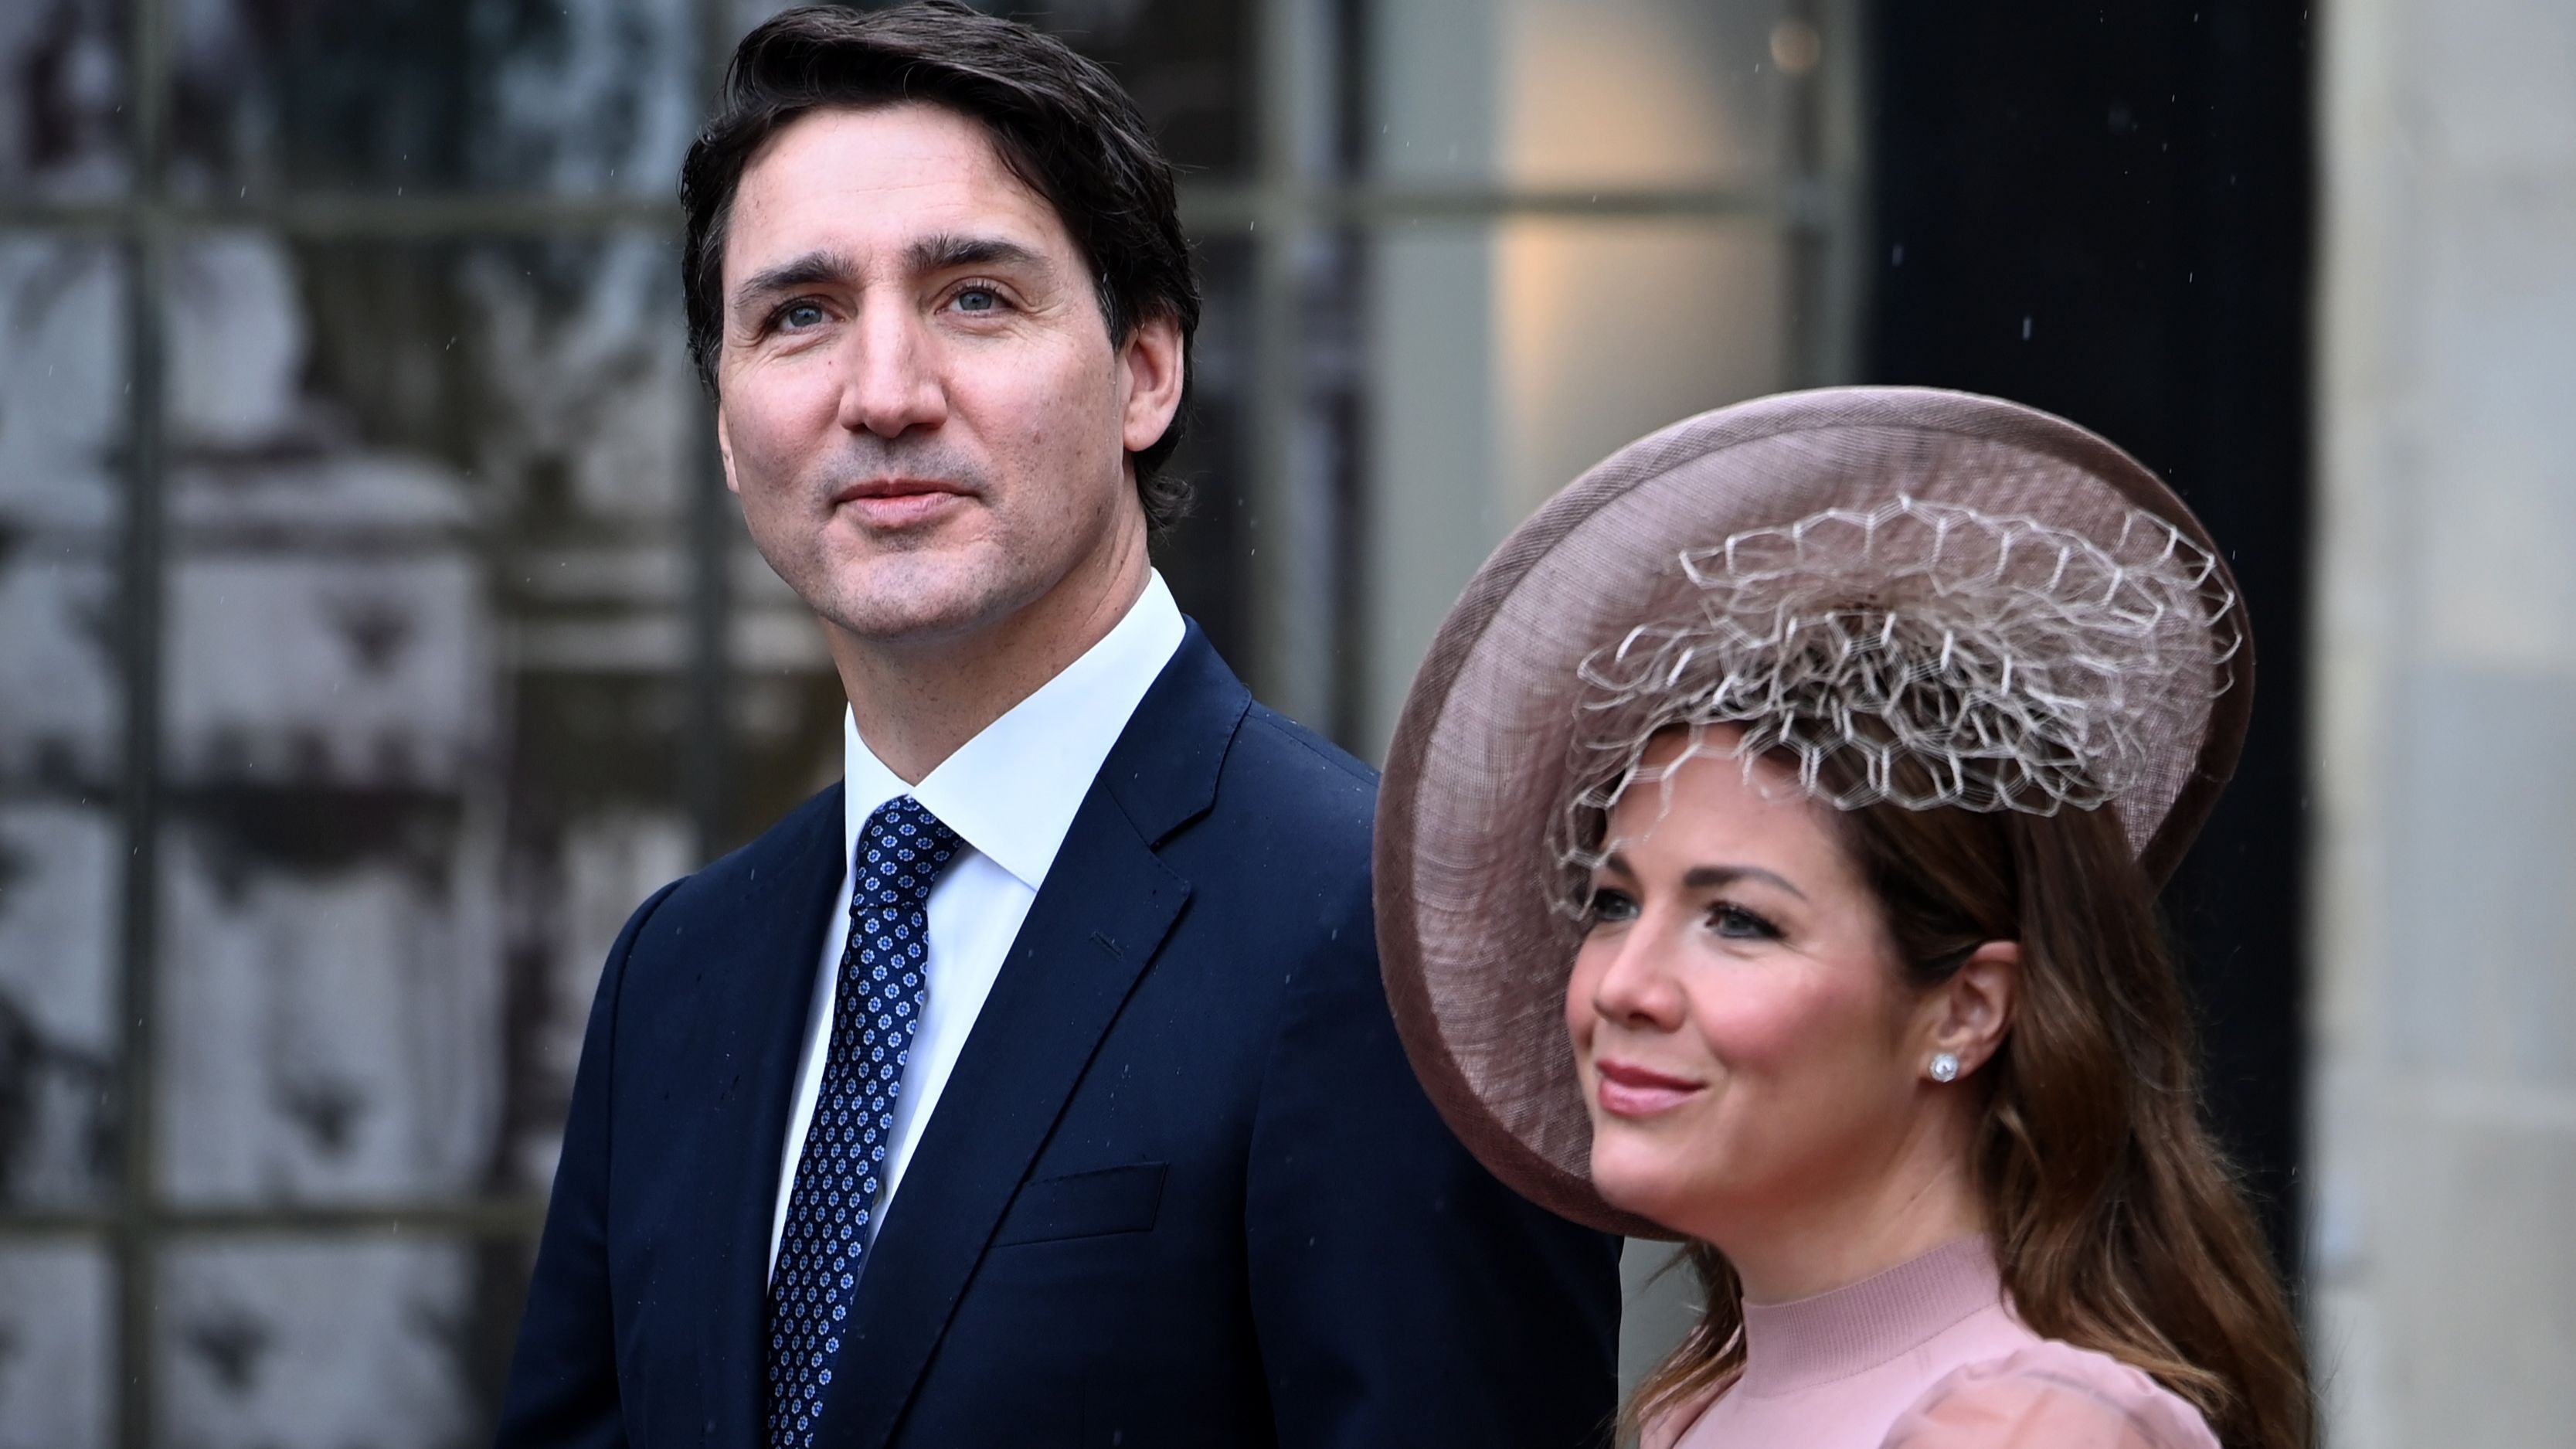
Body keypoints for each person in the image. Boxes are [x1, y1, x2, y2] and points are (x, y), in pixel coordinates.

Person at [494, 5, 1621, 1447]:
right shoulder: (679, 971)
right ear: (725, 424)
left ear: (1147, 371)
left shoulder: (1381, 932)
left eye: (974, 296)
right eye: (799, 315)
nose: (885, 394)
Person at [1371, 388, 2314, 1449]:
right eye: (1612, 901)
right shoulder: (1702, 1407)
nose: (1622, 986)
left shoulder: (2015, 1432)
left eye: (1736, 920)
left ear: (1965, 1011)